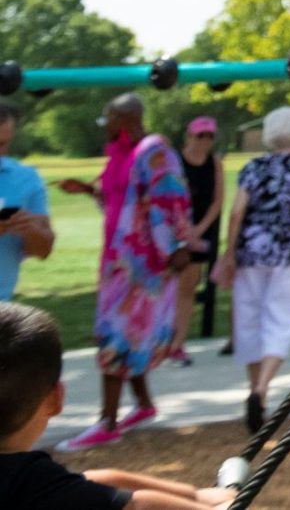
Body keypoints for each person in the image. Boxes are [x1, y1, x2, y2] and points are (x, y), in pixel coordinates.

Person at [53, 95, 190, 450]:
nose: (107, 125)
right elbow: (119, 198)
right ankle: (143, 405)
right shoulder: (121, 153)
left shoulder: (154, 150)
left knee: (115, 335)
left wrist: (175, 246)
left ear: (124, 117)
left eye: (109, 118)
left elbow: (170, 198)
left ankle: (107, 422)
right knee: (128, 333)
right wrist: (87, 190)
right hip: (118, 260)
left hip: (143, 263)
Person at [0, 303, 231, 509]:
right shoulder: (29, 479)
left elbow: (94, 480)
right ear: (55, 399)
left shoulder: (30, 482)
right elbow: (138, 506)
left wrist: (195, 495)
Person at [212, 108, 290, 436]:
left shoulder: (253, 167)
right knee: (282, 317)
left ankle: (253, 388)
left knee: (250, 317)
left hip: (252, 250)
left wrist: (230, 252)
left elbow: (236, 213)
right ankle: (261, 389)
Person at [171, 121, 221, 364]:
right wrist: (181, 229)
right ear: (189, 136)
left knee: (188, 289)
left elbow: (217, 199)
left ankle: (179, 342)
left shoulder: (214, 162)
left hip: (199, 235)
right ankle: (161, 340)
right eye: (200, 135)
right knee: (167, 288)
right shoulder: (174, 161)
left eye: (209, 136)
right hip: (172, 233)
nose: (204, 141)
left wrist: (199, 229)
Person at [0, 102, 57, 302]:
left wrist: (31, 229)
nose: (2, 151)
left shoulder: (27, 177)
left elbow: (43, 251)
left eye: (5, 143)